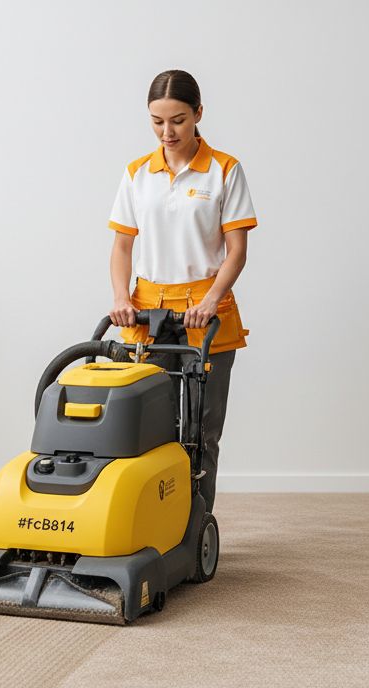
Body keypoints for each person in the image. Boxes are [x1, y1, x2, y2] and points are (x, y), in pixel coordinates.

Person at [106, 70, 256, 516]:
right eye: (157, 122)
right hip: (148, 314)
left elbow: (237, 250)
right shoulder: (137, 173)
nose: (167, 132)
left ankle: (195, 524)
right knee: (151, 425)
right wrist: (120, 296)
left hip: (206, 315)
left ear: (198, 116)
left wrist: (210, 299)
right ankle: (155, 521)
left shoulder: (225, 170)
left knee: (203, 427)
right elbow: (121, 245)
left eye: (178, 120)